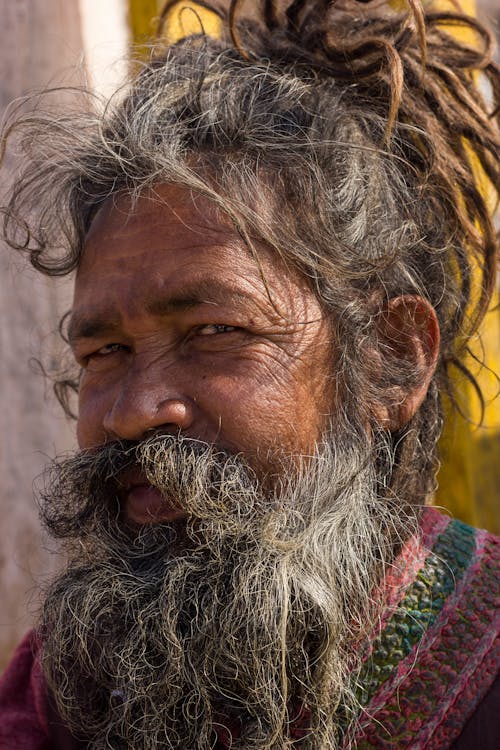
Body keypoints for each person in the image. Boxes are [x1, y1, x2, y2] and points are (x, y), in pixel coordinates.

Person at [0, 1, 498, 748]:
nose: (135, 410)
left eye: (216, 332)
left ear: (392, 359)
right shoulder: (62, 690)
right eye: (103, 353)